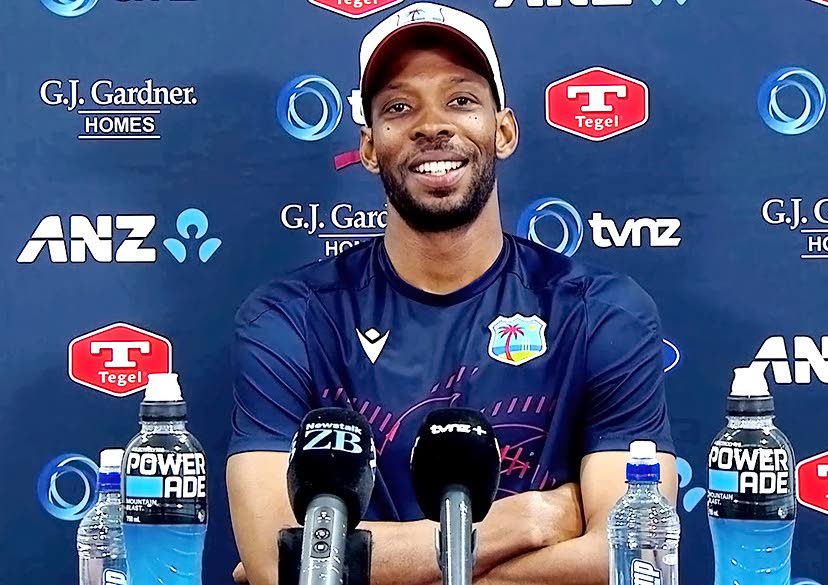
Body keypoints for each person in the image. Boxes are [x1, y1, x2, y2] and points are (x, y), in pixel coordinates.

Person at [226, 3, 677, 584]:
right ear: (368, 147)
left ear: (504, 130)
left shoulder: (601, 313)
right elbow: (271, 560)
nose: (431, 124)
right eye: (398, 107)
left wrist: (347, 563)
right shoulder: (288, 319)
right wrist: (532, 520)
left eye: (461, 100)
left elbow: (631, 559)